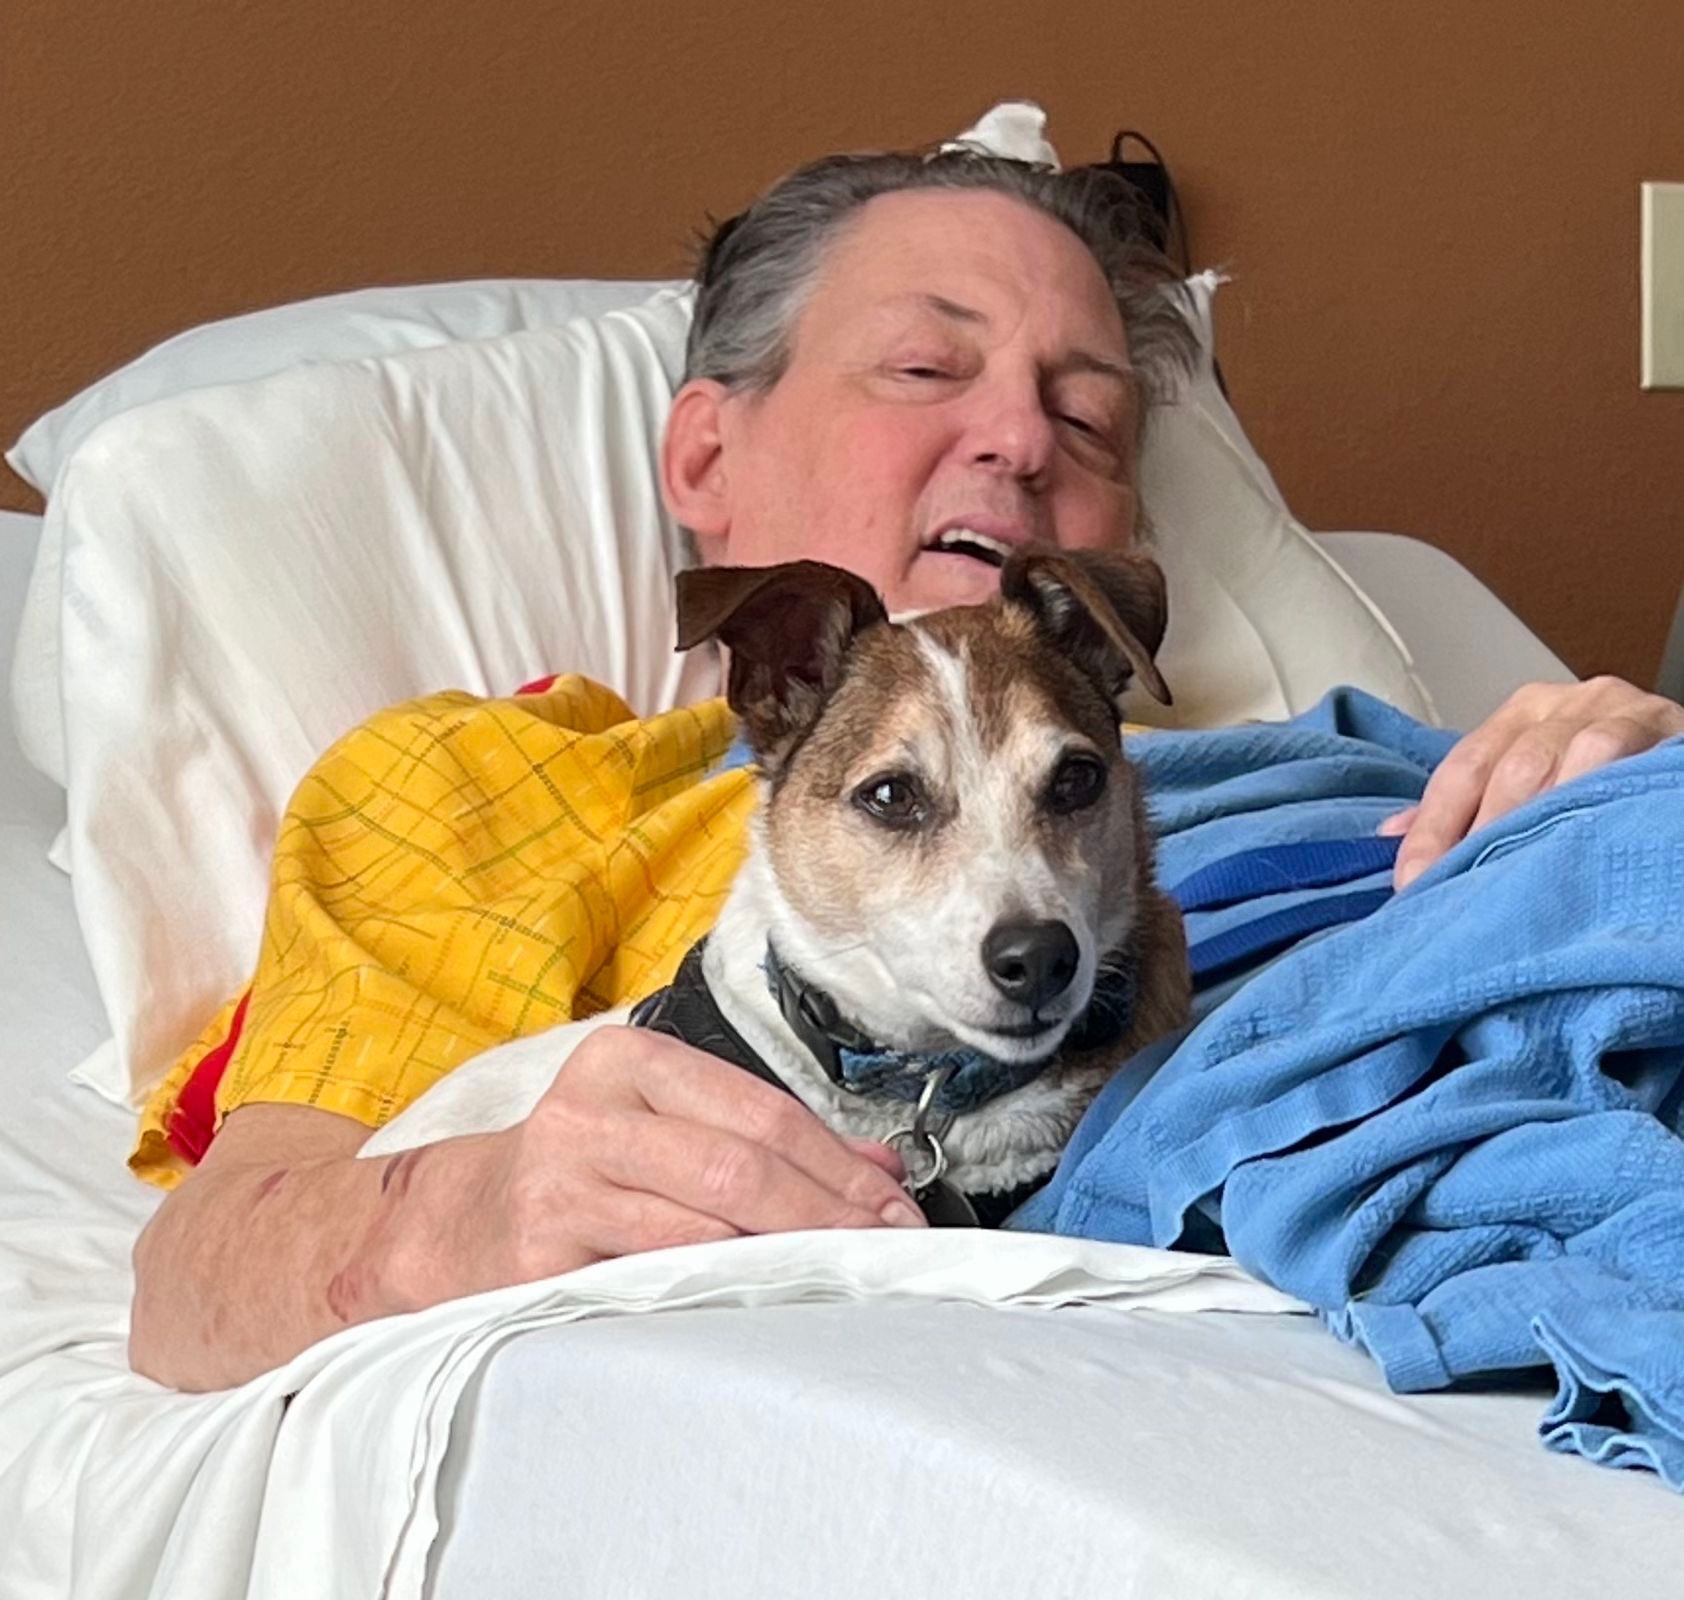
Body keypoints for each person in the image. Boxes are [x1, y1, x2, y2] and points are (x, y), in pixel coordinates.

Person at [127, 149, 1684, 1391]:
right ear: (705, 453)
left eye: (1088, 414)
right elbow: (205, 1279)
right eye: (929, 370)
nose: (1021, 438)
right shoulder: (503, 782)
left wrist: (1622, 768)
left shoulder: (1302, 729)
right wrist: (468, 1211)